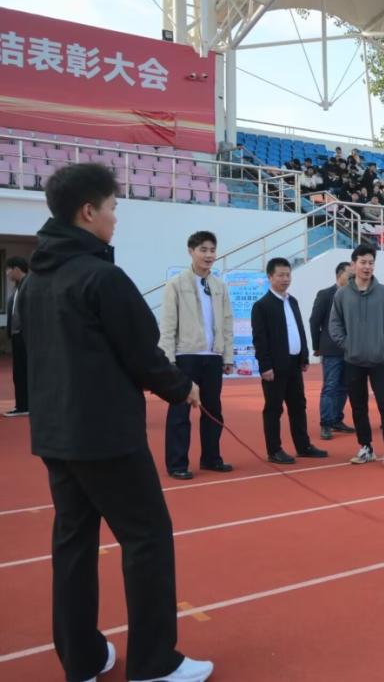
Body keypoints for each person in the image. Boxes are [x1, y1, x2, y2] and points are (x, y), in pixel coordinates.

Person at [20, 163, 213, 682]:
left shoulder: (35, 281)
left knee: (73, 544)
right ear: (88, 212)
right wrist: (181, 388)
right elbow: (142, 352)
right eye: (112, 208)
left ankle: (81, 658)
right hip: (105, 434)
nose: (115, 218)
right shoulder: (101, 277)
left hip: (56, 434)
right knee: (147, 538)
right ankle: (154, 662)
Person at [158, 231, 235, 480]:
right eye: (203, 250)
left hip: (212, 357)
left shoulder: (219, 286)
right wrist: (168, 360)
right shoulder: (176, 284)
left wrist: (227, 356)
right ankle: (177, 463)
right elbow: (167, 326)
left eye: (212, 250)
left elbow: (226, 323)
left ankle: (211, 458)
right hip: (185, 356)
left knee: (213, 411)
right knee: (180, 412)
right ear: (190, 251)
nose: (209, 255)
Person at [330, 245, 384, 468]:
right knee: (358, 406)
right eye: (363, 262)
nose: (367, 267)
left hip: (380, 360)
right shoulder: (342, 295)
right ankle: (366, 447)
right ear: (353, 265)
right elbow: (335, 325)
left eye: (371, 262)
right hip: (353, 360)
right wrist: (347, 344)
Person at [252, 258, 328, 464]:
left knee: (298, 406)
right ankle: (274, 450)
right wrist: (265, 366)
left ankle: (303, 446)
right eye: (281, 275)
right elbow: (260, 340)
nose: (285, 279)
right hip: (274, 368)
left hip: (294, 364)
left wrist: (304, 355)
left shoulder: (292, 301)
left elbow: (299, 329)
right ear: (270, 277)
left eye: (288, 275)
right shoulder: (262, 306)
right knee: (274, 409)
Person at [309, 262, 355, 441]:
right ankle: (326, 423)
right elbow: (314, 321)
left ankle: (336, 419)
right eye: (349, 276)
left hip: (350, 350)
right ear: (339, 275)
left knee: (344, 386)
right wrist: (317, 346)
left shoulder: (355, 295)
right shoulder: (325, 294)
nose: (352, 279)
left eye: (353, 276)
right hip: (331, 349)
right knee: (330, 386)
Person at [4, 255, 29, 417]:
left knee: (23, 372)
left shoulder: (29, 285)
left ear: (17, 269)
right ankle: (21, 405)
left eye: (8, 269)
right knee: (18, 372)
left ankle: (24, 406)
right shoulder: (17, 287)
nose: (7, 273)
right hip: (17, 335)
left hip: (25, 335)